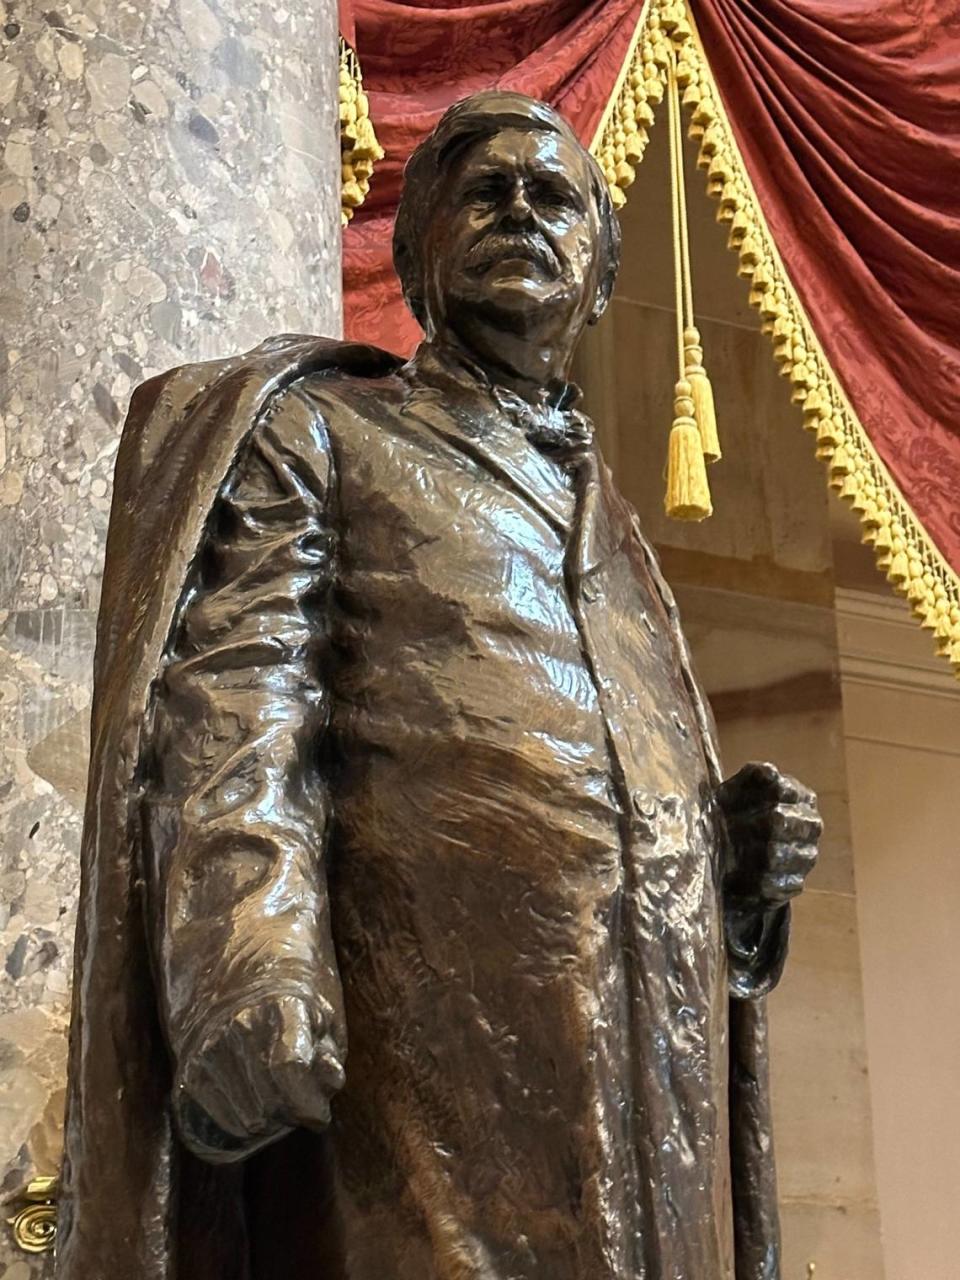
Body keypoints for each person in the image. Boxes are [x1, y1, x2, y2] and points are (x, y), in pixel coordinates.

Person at [58, 91, 819, 1280]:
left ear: (601, 278)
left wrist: (734, 872)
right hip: (433, 1059)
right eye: (486, 190)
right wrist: (248, 953)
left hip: (650, 1088)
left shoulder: (623, 540)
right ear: (412, 262)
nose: (522, 208)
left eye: (555, 195)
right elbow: (241, 702)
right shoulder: (326, 435)